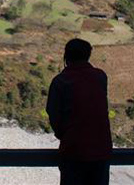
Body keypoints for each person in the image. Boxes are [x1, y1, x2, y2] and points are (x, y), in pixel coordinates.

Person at [46, 38, 113, 185]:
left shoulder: (60, 81)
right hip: (101, 149)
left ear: (66, 56)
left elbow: (53, 113)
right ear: (88, 55)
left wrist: (65, 135)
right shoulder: (100, 77)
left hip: (74, 150)